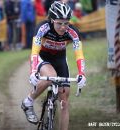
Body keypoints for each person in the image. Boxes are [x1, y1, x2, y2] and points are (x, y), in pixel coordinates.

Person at [21, 1, 86, 130]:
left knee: (64, 102)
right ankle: (28, 102)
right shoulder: (42, 27)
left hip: (59, 59)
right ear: (51, 20)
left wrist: (82, 73)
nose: (63, 27)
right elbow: (34, 51)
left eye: (66, 23)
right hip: (42, 56)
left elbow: (79, 55)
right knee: (51, 76)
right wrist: (33, 71)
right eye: (59, 23)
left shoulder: (73, 32)